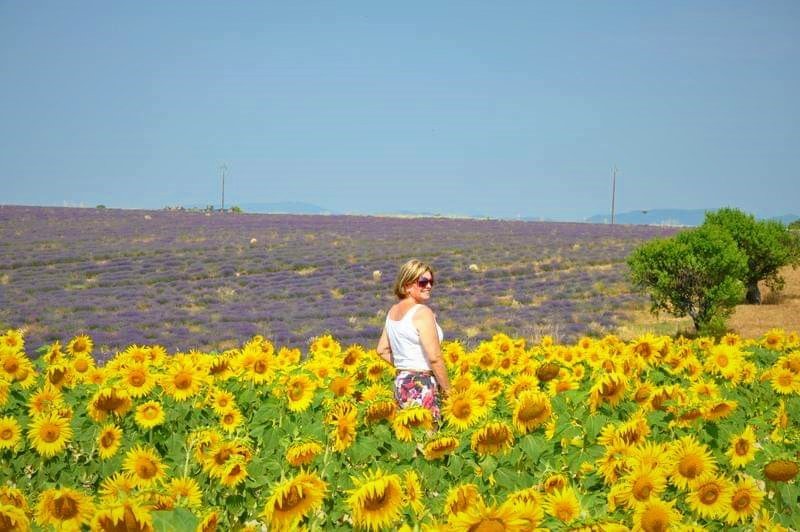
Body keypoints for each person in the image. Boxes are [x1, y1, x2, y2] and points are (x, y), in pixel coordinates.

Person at [377, 259, 451, 421]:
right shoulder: (422, 312)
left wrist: (406, 367)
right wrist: (448, 392)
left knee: (408, 439)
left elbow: (381, 350)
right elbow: (435, 357)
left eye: (431, 281)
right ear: (407, 285)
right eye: (423, 282)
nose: (429, 286)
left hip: (401, 383)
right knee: (428, 439)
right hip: (422, 384)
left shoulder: (392, 311)